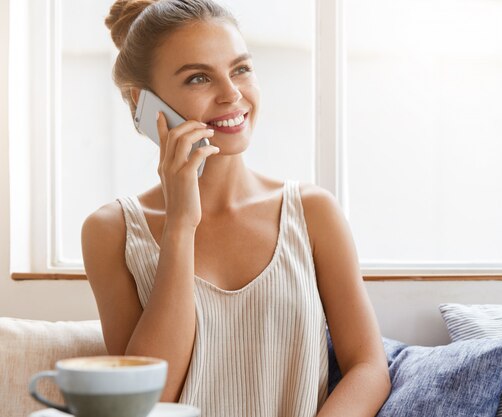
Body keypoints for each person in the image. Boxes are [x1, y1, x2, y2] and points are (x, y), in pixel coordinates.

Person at [81, 0, 391, 416]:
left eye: (241, 69)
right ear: (144, 102)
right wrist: (180, 227)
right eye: (198, 78)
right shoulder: (111, 231)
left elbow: (368, 367)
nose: (232, 94)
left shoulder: (312, 212)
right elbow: (147, 402)